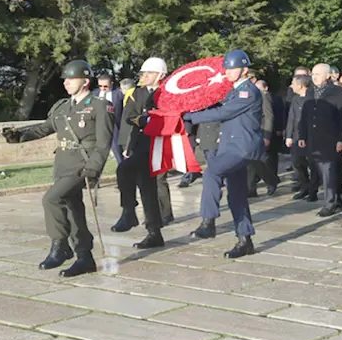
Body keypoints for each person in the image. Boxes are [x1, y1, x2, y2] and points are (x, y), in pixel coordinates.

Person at [1, 60, 112, 277]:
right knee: (72, 209)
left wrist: (94, 168)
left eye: (72, 79)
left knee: (51, 199)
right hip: (63, 163)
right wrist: (19, 135)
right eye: (65, 79)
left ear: (85, 81)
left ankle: (60, 246)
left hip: (82, 164)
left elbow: (103, 142)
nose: (67, 82)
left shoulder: (99, 106)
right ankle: (84, 257)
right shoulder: (62, 107)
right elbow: (44, 128)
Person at [185, 50, 264, 258]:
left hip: (242, 148)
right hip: (230, 147)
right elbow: (219, 106)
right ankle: (245, 240)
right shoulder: (233, 91)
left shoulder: (248, 91)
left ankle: (208, 221)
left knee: (212, 172)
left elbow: (223, 113)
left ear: (244, 70)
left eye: (233, 68)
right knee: (237, 195)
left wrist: (192, 117)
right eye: (227, 68)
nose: (228, 72)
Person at [113, 57, 172, 249]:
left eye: (149, 73)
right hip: (143, 142)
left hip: (162, 143)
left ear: (160, 75)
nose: (144, 76)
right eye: (143, 73)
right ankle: (135, 216)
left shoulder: (169, 92)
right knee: (130, 174)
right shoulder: (136, 93)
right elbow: (129, 117)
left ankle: (149, 226)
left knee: (150, 187)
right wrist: (145, 120)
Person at [300, 64, 342, 216]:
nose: (314, 77)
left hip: (330, 138)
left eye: (318, 74)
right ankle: (336, 199)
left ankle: (330, 203)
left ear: (328, 75)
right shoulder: (310, 91)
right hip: (314, 138)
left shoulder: (338, 92)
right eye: (313, 74)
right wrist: (302, 135)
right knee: (320, 170)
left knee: (329, 171)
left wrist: (341, 139)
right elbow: (305, 115)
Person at [246, 80, 281, 197]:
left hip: (260, 131)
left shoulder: (262, 95)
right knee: (250, 161)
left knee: (262, 160)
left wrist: (267, 135)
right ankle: (250, 189)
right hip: (248, 132)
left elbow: (269, 116)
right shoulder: (242, 96)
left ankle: (271, 180)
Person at [286, 75, 317, 200]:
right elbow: (291, 118)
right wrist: (288, 136)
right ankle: (305, 186)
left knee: (313, 164)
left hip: (310, 135)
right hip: (296, 136)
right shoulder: (295, 99)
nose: (291, 86)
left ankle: (313, 191)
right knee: (297, 162)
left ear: (300, 85)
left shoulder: (313, 98)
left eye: (293, 83)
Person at [93, 74, 125, 164]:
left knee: (118, 153)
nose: (102, 88)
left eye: (105, 86)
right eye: (100, 86)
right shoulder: (94, 94)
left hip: (114, 126)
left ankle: (123, 171)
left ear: (111, 84)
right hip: (98, 127)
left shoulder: (118, 94)